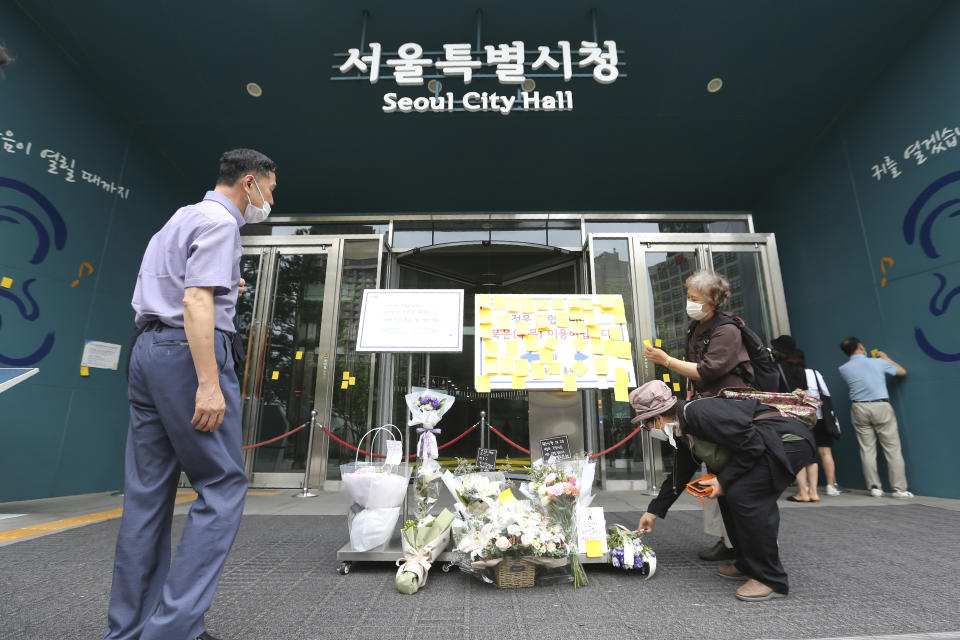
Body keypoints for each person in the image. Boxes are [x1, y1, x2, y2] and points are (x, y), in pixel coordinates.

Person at [103, 149, 277, 640]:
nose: (269, 201)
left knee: (146, 498)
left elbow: (183, 290)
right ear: (250, 184)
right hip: (188, 356)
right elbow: (195, 300)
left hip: (148, 351)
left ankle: (129, 629)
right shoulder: (222, 225)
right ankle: (174, 629)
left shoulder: (179, 218)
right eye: (271, 190)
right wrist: (207, 383)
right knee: (222, 487)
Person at [631, 380, 816, 601]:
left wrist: (724, 481)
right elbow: (679, 474)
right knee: (730, 496)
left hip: (787, 442)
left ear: (658, 418)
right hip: (765, 445)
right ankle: (747, 563)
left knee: (746, 496)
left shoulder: (699, 413)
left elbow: (753, 445)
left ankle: (771, 579)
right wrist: (653, 511)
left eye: (646, 424)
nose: (648, 430)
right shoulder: (682, 430)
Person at [642, 269, 751, 562]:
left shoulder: (727, 330)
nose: (689, 302)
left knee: (731, 478)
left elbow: (708, 371)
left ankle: (746, 550)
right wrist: (690, 400)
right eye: (688, 296)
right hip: (704, 409)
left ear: (712, 301)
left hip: (728, 412)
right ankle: (729, 542)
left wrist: (665, 361)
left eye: (694, 298)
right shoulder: (695, 328)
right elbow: (696, 374)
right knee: (713, 477)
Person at [837, 337, 911, 498]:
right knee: (892, 449)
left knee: (867, 449)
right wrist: (886, 358)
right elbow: (902, 372)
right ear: (861, 347)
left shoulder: (843, 368)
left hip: (859, 408)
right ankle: (899, 489)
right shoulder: (876, 362)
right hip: (880, 406)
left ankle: (875, 487)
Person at [771, 336, 820, 502]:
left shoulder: (776, 368)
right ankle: (813, 491)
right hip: (805, 414)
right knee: (811, 454)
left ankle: (802, 492)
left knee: (796, 449)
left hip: (788, 414)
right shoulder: (802, 369)